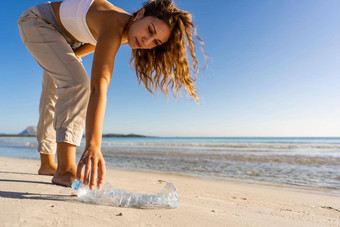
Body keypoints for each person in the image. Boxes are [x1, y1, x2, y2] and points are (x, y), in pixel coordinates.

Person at [17, 0, 206, 190]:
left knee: (57, 90)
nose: (146, 42)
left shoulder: (124, 31)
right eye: (150, 30)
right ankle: (65, 169)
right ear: (140, 14)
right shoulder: (114, 23)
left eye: (156, 42)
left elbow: (94, 38)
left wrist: (75, 56)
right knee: (76, 83)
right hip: (38, 22)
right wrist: (93, 146)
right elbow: (98, 87)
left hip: (67, 40)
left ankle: (47, 163)